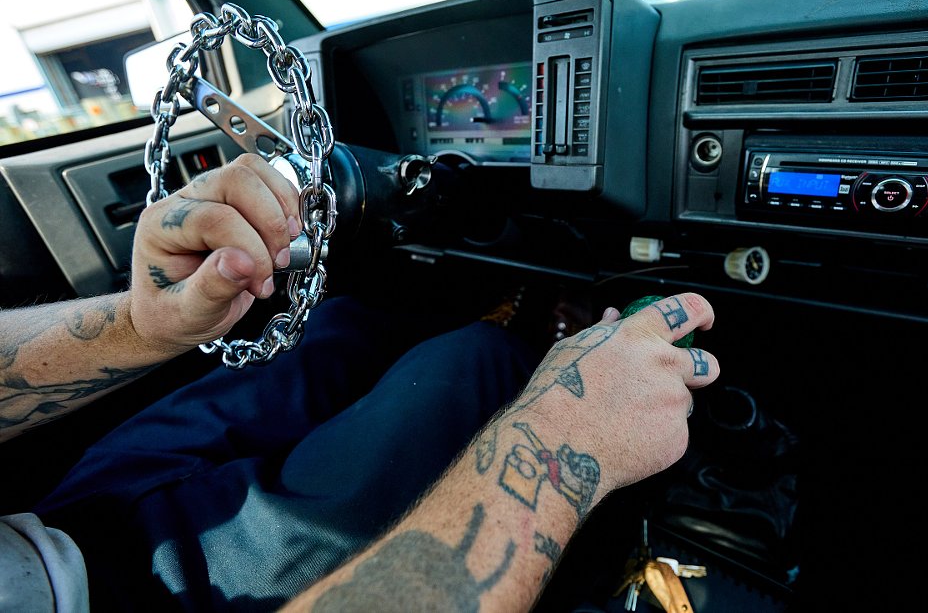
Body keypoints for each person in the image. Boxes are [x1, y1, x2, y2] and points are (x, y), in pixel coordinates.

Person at [0, 153, 720, 611]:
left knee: (343, 326)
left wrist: (141, 322)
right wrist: (567, 432)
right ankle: (522, 344)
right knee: (471, 362)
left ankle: (517, 329)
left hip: (55, 525)